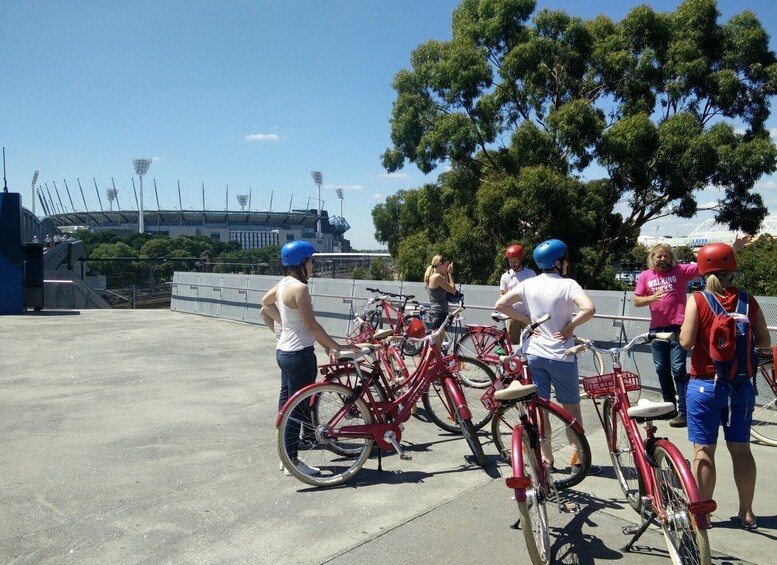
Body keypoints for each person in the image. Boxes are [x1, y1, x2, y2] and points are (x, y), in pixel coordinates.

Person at [679, 243, 768, 530]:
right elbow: (765, 343)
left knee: (704, 450)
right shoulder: (747, 300)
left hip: (704, 386)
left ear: (703, 269)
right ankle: (748, 513)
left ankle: (703, 516)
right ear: (733, 267)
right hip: (740, 387)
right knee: (741, 449)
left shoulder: (698, 300)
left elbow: (686, 342)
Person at [495, 239, 600, 474]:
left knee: (541, 410)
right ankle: (578, 460)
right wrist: (570, 327)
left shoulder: (529, 284)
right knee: (571, 410)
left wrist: (528, 322)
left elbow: (501, 304)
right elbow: (589, 309)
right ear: (559, 262)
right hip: (561, 355)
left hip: (535, 354)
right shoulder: (569, 284)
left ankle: (547, 460)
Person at [260, 240, 349, 477]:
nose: (313, 265)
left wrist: (284, 327)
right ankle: (292, 461)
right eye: (311, 261)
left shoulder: (282, 284)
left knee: (286, 407)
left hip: (284, 353)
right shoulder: (299, 288)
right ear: (302, 262)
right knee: (297, 410)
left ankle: (284, 454)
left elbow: (264, 304)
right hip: (300, 356)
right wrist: (336, 346)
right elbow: (311, 325)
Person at [633, 244, 700, 427]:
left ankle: (685, 411)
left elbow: (705, 264)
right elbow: (637, 300)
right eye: (659, 257)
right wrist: (651, 298)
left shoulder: (680, 271)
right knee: (661, 369)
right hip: (656, 330)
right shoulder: (646, 276)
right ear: (652, 258)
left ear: (671, 258)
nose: (663, 259)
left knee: (678, 369)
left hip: (678, 327)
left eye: (666, 256)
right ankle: (669, 407)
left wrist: (733, 249)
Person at [499, 244, 536, 345]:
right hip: (511, 315)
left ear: (521, 259)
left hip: (527, 314)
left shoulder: (530, 274)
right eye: (510, 261)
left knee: (530, 342)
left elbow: (535, 293)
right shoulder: (505, 277)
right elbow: (503, 295)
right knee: (513, 343)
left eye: (515, 261)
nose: (512, 264)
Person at [424, 254, 456, 348]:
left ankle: (432, 362)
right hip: (439, 313)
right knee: (436, 347)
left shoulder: (438, 276)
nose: (447, 268)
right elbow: (452, 289)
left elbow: (446, 288)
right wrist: (450, 274)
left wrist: (446, 273)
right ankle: (430, 362)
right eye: (446, 266)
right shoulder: (436, 277)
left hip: (440, 312)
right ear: (439, 265)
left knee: (437, 346)